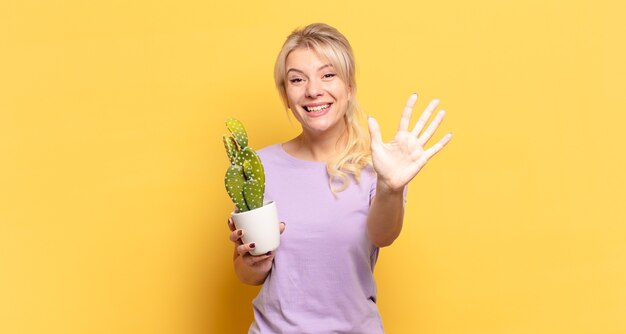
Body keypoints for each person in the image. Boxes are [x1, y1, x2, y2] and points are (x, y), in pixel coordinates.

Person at [227, 23, 452, 333]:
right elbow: (247, 274)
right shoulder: (259, 166)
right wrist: (252, 261)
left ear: (350, 86)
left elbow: (383, 236)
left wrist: (390, 188)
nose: (313, 90)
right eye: (297, 79)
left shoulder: (380, 165)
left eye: (328, 74)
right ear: (285, 94)